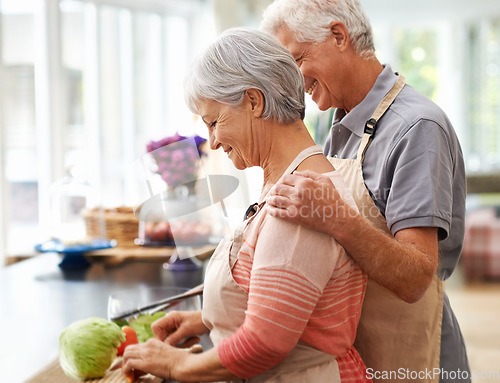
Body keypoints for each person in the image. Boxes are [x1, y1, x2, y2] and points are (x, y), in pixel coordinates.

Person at [120, 28, 372, 383]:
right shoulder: (289, 182)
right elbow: (284, 305)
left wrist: (175, 364)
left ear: (254, 101)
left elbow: (265, 343)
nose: (212, 141)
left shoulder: (300, 201)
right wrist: (210, 319)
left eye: (214, 122)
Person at [260, 0, 470, 382]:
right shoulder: (335, 123)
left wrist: (336, 219)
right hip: (359, 351)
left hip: (412, 353)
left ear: (338, 36)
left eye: (298, 59)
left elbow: (415, 278)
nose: (294, 79)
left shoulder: (416, 128)